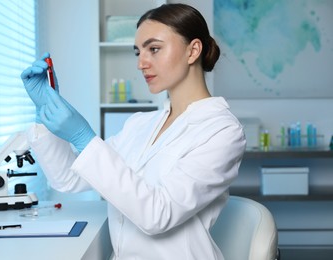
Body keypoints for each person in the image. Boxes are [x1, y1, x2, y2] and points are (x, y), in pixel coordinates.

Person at [21, 3, 246, 260]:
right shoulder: (140, 124)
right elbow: (68, 179)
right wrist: (46, 115)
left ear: (193, 50)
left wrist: (85, 138)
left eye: (154, 49)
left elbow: (157, 215)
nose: (141, 63)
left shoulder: (222, 131)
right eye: (138, 52)